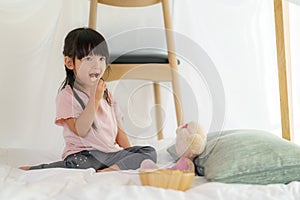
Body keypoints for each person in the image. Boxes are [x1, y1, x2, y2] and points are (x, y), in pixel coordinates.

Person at [19, 27, 157, 172]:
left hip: (110, 154)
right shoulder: (67, 96)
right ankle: (39, 168)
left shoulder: (107, 94)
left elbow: (119, 132)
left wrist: (129, 155)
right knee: (80, 163)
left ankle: (114, 168)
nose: (97, 65)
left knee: (149, 152)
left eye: (101, 59)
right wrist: (94, 100)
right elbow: (81, 130)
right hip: (85, 154)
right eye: (89, 59)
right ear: (70, 63)